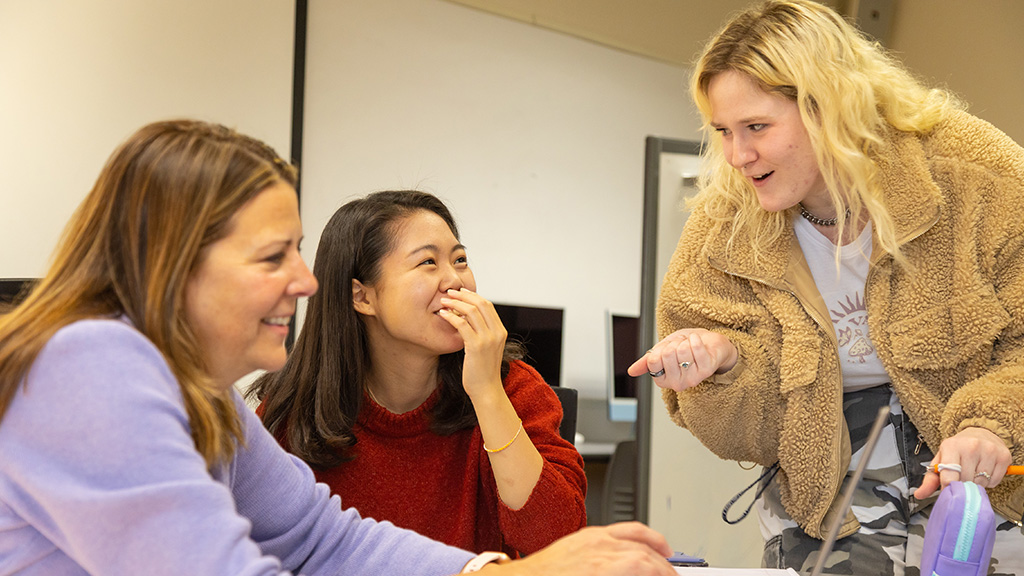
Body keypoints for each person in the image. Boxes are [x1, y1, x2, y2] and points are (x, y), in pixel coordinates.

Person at [0, 119, 677, 576]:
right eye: (273, 256)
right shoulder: (87, 368)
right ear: (172, 263)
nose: (304, 280)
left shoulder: (205, 398)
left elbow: (324, 538)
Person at [628, 1, 1024, 574]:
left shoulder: (976, 179)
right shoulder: (723, 229)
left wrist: (992, 423)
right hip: (827, 491)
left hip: (988, 491)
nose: (738, 156)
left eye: (757, 127)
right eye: (724, 132)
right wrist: (726, 363)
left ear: (829, 107)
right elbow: (749, 432)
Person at [250, 190, 587, 557]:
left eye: (460, 260)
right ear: (362, 297)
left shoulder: (510, 386)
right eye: (428, 262)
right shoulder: (295, 409)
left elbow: (560, 544)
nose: (455, 281)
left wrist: (487, 393)